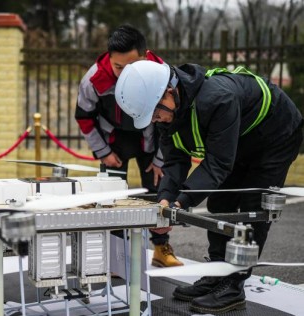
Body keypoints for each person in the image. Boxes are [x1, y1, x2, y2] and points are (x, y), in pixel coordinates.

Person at [114, 60, 303, 314]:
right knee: (220, 202)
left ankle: (233, 286)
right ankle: (217, 272)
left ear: (169, 92)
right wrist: (165, 200)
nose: (156, 120)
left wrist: (182, 201)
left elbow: (217, 165)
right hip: (242, 137)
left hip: (276, 135)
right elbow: (174, 161)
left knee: (250, 207)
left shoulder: (217, 99)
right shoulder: (171, 113)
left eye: (156, 113)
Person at [75, 25, 183, 268]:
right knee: (111, 200)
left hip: (151, 140)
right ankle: (116, 259)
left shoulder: (162, 74)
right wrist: (103, 153)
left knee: (158, 194)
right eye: (119, 67)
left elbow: (171, 122)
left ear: (146, 56)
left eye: (132, 67)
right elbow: (83, 117)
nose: (125, 74)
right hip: (114, 143)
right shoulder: (93, 79)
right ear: (109, 59)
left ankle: (161, 248)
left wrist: (160, 159)